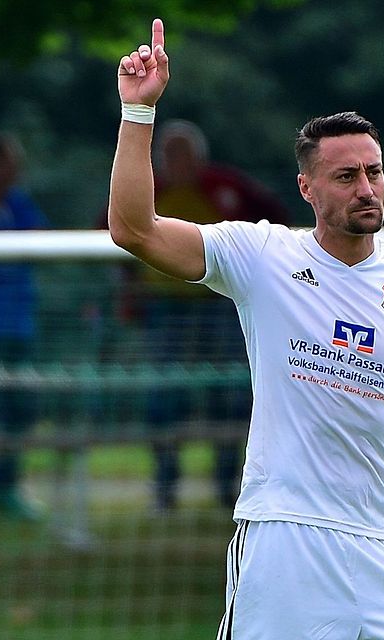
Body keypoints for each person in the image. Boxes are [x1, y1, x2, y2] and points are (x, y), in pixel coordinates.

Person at [110, 19, 384, 637]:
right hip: (282, 535)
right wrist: (138, 115)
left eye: (374, 172)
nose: (366, 188)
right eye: (346, 177)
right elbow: (134, 229)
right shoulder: (261, 257)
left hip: (379, 539)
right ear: (307, 187)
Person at [122, 118, 290, 511]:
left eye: (184, 153)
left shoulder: (229, 187)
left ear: (200, 158)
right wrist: (129, 294)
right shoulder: (150, 190)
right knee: (164, 399)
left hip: (221, 307)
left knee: (229, 396)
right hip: (164, 313)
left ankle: (228, 487)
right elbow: (116, 231)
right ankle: (164, 489)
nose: (176, 161)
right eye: (169, 154)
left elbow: (276, 223)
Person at [0, 130, 48, 525]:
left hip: (20, 328)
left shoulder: (19, 205)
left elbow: (39, 242)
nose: (13, 170)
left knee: (19, 410)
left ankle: (7, 488)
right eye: (6, 162)